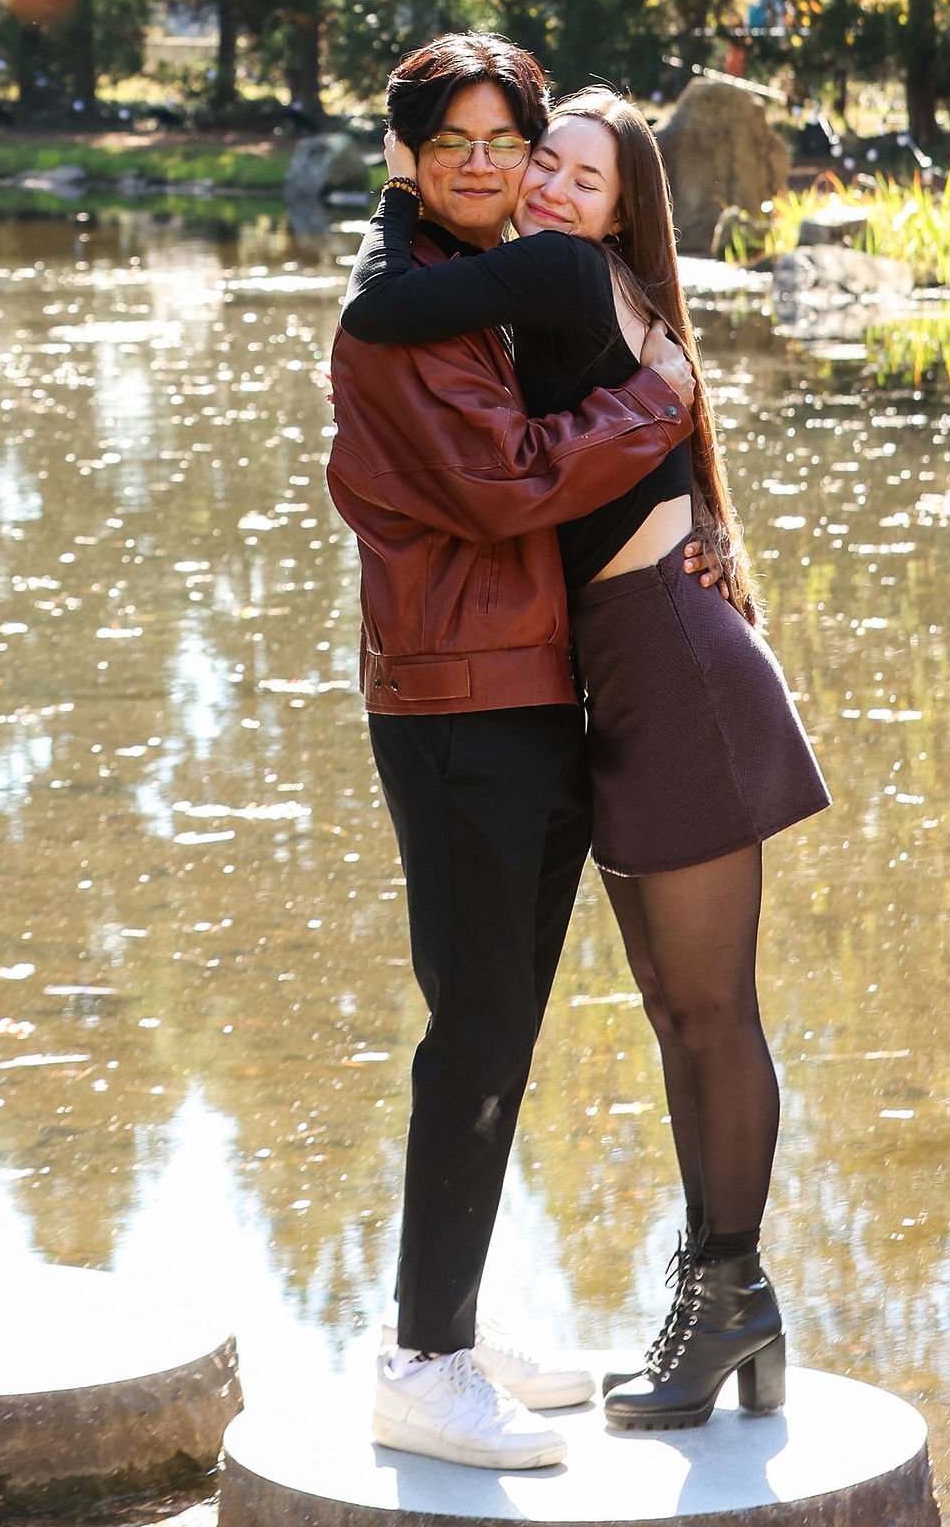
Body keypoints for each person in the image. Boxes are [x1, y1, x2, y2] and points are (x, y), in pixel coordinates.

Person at [342, 82, 829, 1434]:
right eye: (538, 165)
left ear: (624, 214)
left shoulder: (554, 272)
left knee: (711, 1012)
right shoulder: (558, 288)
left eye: (581, 178)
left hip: (671, 665)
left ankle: (727, 1296)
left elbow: (374, 309)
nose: (549, 190)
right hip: (621, 673)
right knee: (682, 1014)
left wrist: (401, 184)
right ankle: (730, 1303)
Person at [326, 36, 698, 1472]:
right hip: (456, 710)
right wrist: (661, 397)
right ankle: (420, 1363)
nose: (485, 167)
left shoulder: (477, 296)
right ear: (408, 157)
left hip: (530, 694)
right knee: (471, 1033)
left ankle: (453, 1329)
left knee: (502, 1030)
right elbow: (508, 484)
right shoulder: (398, 321)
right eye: (456, 143)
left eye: (510, 143)